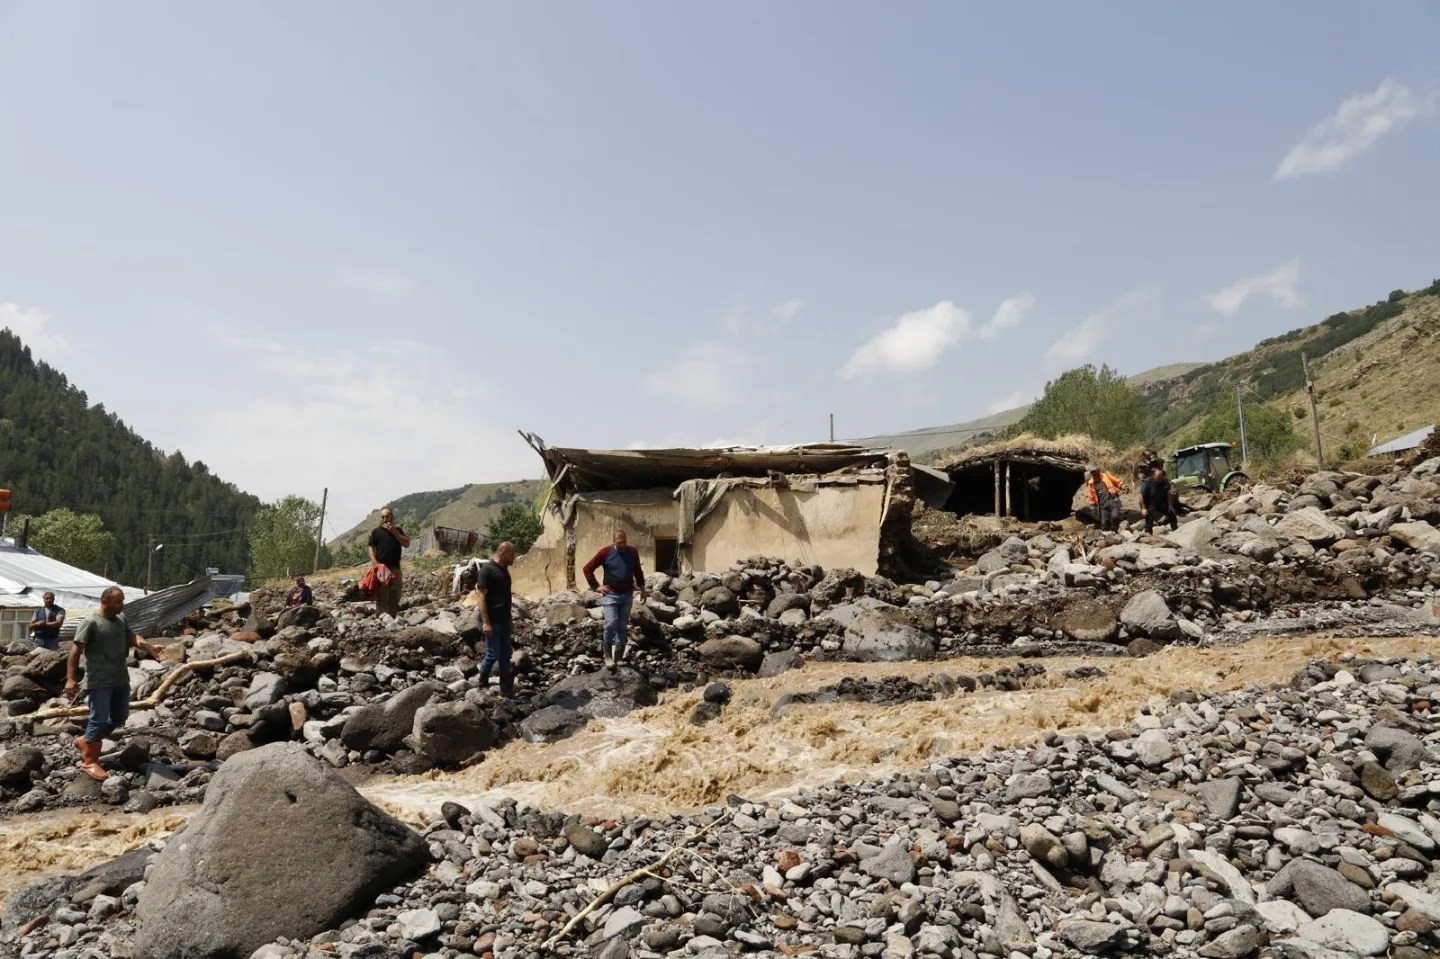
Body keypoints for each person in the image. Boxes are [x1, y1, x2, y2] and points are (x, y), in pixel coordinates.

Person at [64, 586, 165, 781]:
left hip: (120, 677)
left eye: (122, 600)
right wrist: (70, 678)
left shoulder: (121, 619)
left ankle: (86, 740)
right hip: (99, 680)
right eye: (118, 601)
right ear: (105, 601)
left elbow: (132, 637)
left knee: (120, 715)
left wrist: (150, 647)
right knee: (98, 718)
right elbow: (75, 651)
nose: (122, 604)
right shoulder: (91, 622)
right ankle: (90, 761)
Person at [583, 530, 647, 669]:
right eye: (619, 543)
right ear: (614, 541)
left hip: (627, 595)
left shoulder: (632, 552)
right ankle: (607, 657)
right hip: (610, 595)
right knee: (610, 624)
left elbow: (637, 571)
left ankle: (618, 658)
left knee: (622, 627)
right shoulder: (605, 553)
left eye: (624, 542)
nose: (622, 545)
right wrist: (596, 587)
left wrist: (642, 589)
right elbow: (587, 569)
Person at [475, 542, 517, 697]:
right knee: (493, 653)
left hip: (504, 620)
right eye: (511, 554)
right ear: (503, 552)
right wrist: (486, 623)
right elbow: (481, 598)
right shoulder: (487, 571)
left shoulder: (504, 571)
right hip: (491, 620)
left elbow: (506, 598)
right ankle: (482, 681)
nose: (514, 558)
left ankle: (506, 689)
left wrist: (510, 620)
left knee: (506, 653)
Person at [367, 507, 410, 617]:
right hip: (382, 568)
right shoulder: (376, 532)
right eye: (383, 517)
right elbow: (370, 547)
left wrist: (395, 533)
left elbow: (406, 543)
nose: (385, 519)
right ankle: (382, 620)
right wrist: (374, 562)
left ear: (392, 517)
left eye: (387, 516)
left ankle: (394, 620)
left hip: (396, 568)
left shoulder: (398, 530)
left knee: (395, 596)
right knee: (383, 596)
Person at [1085, 465, 1125, 532]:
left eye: (1095, 471)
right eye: (1092, 472)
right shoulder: (1091, 483)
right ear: (1091, 473)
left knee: (1114, 517)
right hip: (1102, 506)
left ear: (1098, 471)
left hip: (1113, 501)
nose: (1094, 473)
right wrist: (1092, 506)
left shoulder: (1106, 476)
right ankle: (1106, 535)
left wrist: (1122, 486)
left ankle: (1114, 532)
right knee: (1104, 524)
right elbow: (1091, 496)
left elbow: (1117, 481)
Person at [1140, 466, 1178, 534]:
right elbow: (1142, 496)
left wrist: (1170, 505)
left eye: (1161, 478)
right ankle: (1148, 534)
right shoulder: (1147, 482)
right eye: (1158, 478)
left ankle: (1176, 531)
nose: (1159, 480)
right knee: (1149, 518)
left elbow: (1168, 493)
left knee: (1172, 513)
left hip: (1161, 502)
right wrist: (1143, 508)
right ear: (1153, 476)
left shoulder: (1164, 481)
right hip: (1149, 503)